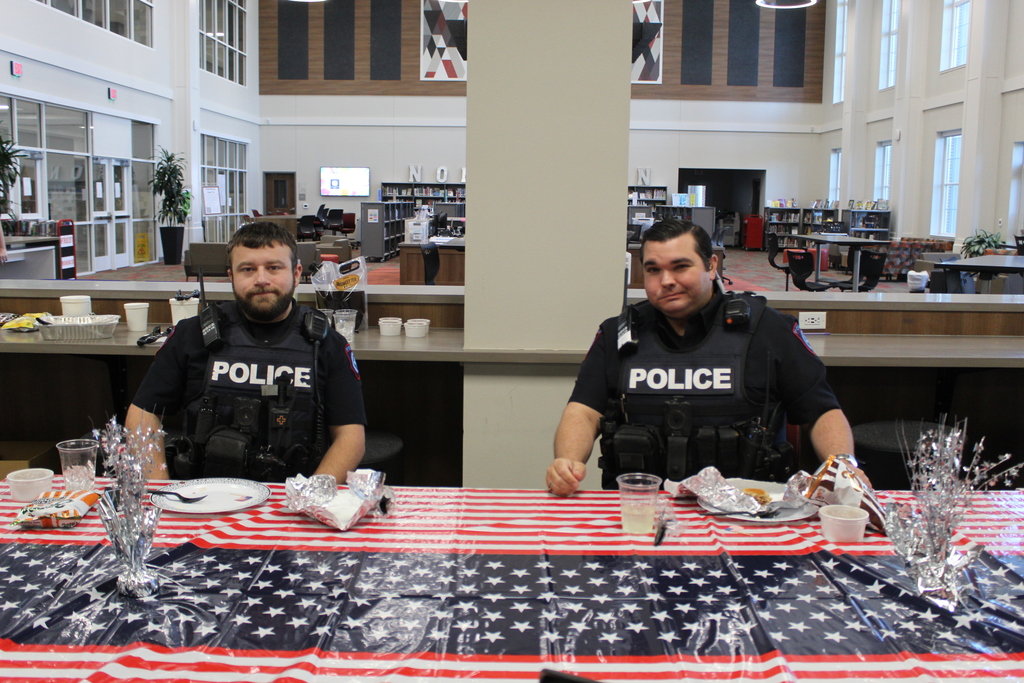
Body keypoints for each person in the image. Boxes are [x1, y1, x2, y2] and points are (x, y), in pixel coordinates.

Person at [546, 218, 856, 496]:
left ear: (711, 265)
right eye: (654, 269)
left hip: (750, 516)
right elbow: (584, 412)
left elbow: (820, 412)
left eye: (680, 266)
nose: (666, 280)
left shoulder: (769, 329)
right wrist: (567, 462)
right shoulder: (618, 333)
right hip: (639, 510)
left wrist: (844, 469)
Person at [127, 221, 365, 482]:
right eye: (248, 269)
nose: (261, 279)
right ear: (231, 276)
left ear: (297, 273)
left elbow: (350, 437)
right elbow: (142, 414)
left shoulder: (327, 343)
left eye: (274, 268)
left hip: (293, 501)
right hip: (203, 495)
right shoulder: (191, 335)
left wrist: (313, 497)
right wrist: (158, 489)